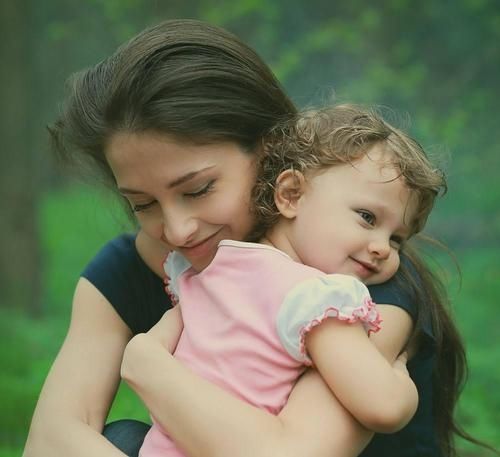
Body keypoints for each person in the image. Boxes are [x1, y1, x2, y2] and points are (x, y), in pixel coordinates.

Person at [23, 19, 470, 457]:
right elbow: (49, 442)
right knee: (122, 439)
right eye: (143, 204)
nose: (177, 230)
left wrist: (148, 365)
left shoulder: (358, 275)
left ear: (271, 153)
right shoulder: (129, 270)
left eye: (198, 189)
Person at [132, 104, 443, 457]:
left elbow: (146, 243)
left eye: (397, 239)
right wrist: (400, 375)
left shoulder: (205, 268)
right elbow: (383, 407)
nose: (382, 249)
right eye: (368, 217)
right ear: (291, 195)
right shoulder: (314, 298)